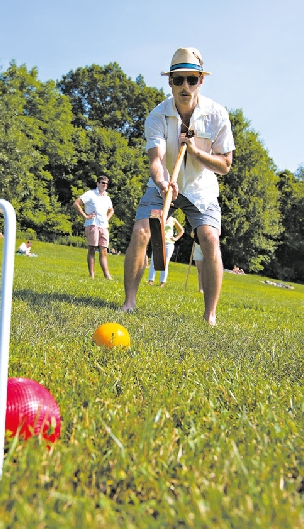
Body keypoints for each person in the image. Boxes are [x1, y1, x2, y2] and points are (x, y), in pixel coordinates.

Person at [121, 47, 234, 325]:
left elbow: (226, 165)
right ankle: (129, 302)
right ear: (169, 81)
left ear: (201, 81)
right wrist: (162, 182)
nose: (185, 86)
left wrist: (196, 153)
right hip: (163, 185)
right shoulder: (157, 116)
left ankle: (210, 315)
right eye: (178, 79)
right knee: (142, 231)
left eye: (191, 79)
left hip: (201, 188)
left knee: (209, 238)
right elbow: (156, 159)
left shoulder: (217, 114)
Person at [74, 176, 114, 279]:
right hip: (93, 224)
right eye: (102, 183)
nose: (104, 185)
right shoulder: (90, 194)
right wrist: (85, 216)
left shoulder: (107, 197)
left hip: (104, 226)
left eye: (106, 183)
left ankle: (107, 275)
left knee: (104, 251)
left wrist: (107, 219)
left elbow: (111, 210)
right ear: (98, 183)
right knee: (92, 249)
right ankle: (91, 275)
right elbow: (76, 204)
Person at [147, 215, 184, 286]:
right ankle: (151, 280)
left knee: (165, 263)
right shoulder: (158, 218)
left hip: (168, 244)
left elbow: (181, 230)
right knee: (153, 261)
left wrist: (176, 238)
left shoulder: (173, 220)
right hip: (158, 243)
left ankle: (162, 282)